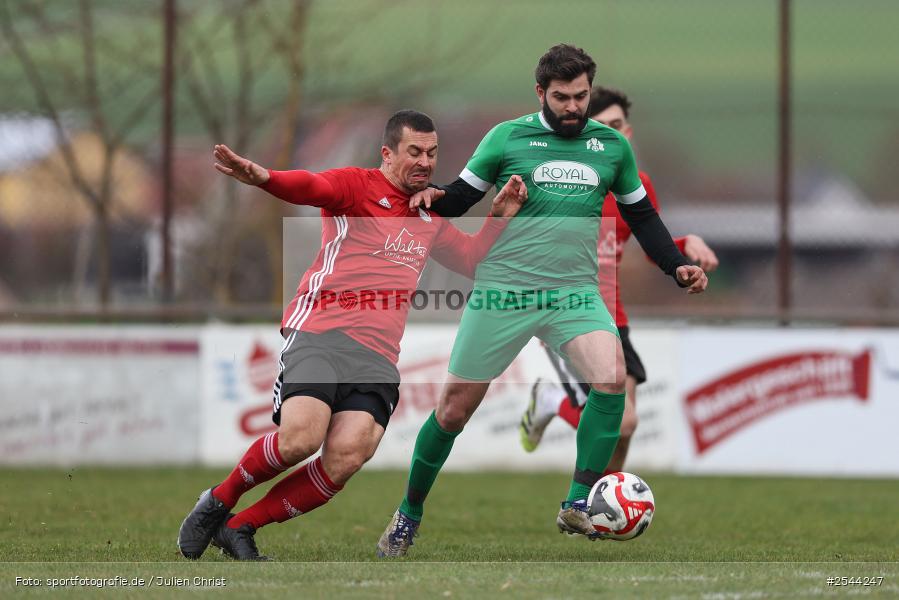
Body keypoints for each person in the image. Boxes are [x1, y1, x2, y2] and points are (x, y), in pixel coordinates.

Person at [376, 45, 708, 558]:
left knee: (611, 378)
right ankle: (407, 515)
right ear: (540, 93)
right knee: (453, 411)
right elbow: (461, 195)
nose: (573, 106)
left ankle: (577, 501)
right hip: (503, 290)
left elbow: (642, 216)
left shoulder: (611, 148)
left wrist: (675, 265)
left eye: (581, 96)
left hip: (574, 293)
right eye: (561, 97)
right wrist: (429, 197)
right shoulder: (506, 137)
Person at [177, 110, 527, 561]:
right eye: (414, 152)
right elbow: (310, 186)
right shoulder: (357, 186)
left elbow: (472, 261)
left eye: (432, 153)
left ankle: (240, 527)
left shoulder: (429, 215)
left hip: (376, 356)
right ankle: (218, 500)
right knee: (300, 439)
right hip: (320, 331)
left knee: (347, 455)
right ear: (387, 154)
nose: (425, 162)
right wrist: (266, 178)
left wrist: (498, 217)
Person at [519, 86, 719, 473]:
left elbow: (652, 246)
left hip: (614, 319)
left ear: (628, 131)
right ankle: (553, 403)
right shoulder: (561, 180)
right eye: (604, 126)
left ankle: (599, 505)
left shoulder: (635, 184)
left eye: (620, 125)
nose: (615, 133)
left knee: (624, 431)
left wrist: (684, 247)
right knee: (620, 421)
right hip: (566, 318)